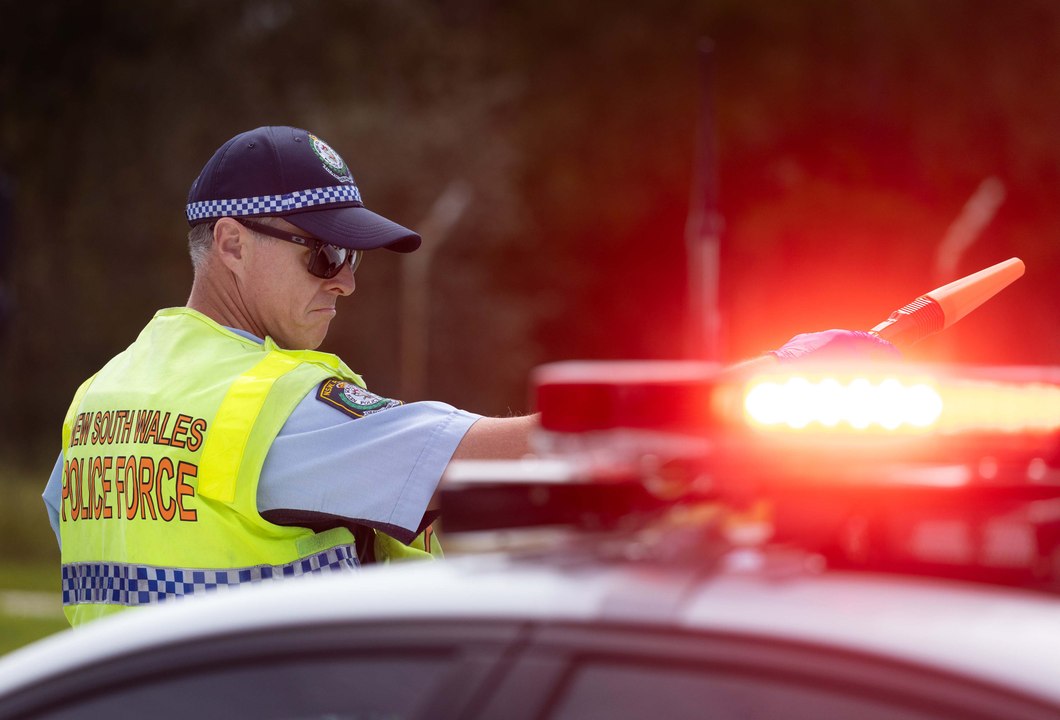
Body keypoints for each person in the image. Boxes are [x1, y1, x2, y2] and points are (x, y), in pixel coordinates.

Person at [42, 126, 895, 627]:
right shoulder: (271, 405)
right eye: (325, 254)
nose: (346, 282)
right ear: (230, 244)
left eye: (354, 258)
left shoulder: (102, 400)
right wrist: (769, 377)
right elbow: (516, 452)